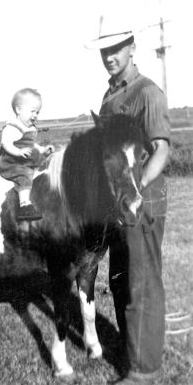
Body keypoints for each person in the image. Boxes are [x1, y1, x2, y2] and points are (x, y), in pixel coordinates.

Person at [93, 19, 170, 384]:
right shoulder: (110, 96)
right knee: (121, 280)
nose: (109, 57)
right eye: (105, 51)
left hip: (144, 201)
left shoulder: (147, 93)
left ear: (132, 48)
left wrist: (135, 186)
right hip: (118, 204)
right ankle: (130, 354)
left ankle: (144, 372)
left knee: (142, 282)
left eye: (116, 49)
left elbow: (161, 150)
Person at [0, 88, 54, 222]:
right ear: (18, 110)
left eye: (38, 112)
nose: (35, 115)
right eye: (32, 111)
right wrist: (18, 152)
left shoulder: (30, 128)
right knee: (25, 175)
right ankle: (24, 206)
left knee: (39, 168)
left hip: (24, 161)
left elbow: (32, 144)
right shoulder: (12, 127)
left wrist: (42, 150)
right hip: (10, 163)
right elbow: (6, 144)